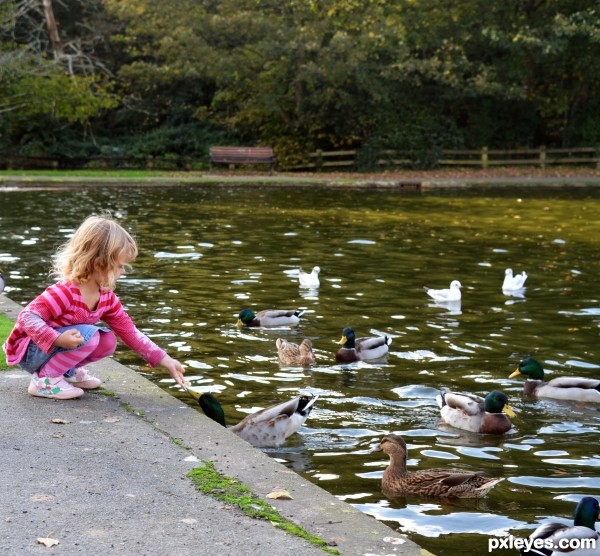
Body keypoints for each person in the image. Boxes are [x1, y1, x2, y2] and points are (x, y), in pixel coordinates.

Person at [2, 214, 186, 400]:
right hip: (32, 351)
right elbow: (27, 317)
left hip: (52, 351)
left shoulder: (106, 297)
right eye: (120, 266)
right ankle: (45, 381)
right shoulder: (65, 292)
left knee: (107, 340)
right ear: (99, 264)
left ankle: (67, 372)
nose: (123, 271)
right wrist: (56, 338)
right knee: (91, 336)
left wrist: (166, 360)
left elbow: (130, 332)